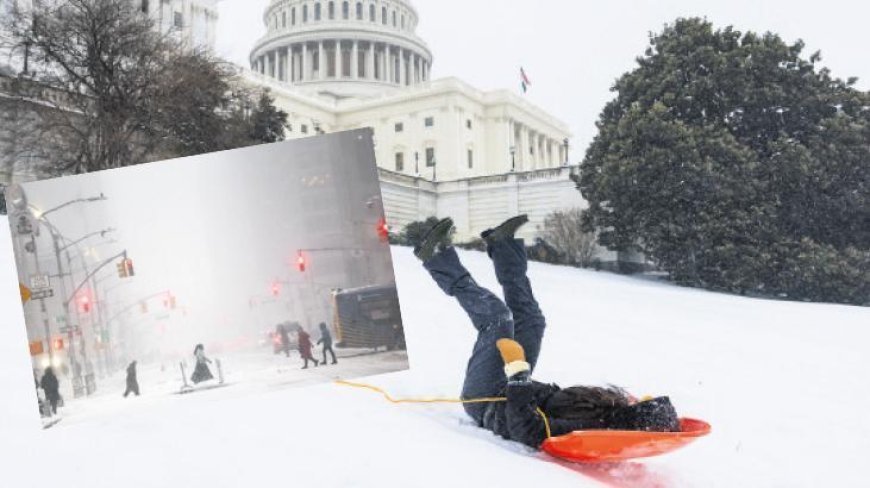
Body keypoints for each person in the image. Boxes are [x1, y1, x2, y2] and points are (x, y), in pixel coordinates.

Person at [415, 215, 680, 449]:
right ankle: (503, 244)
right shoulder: (614, 411)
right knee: (532, 321)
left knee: (497, 319)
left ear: (637, 421)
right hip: (511, 388)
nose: (639, 402)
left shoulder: (593, 430)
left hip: (486, 400)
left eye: (644, 406)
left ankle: (436, 256)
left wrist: (519, 373)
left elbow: (527, 429)